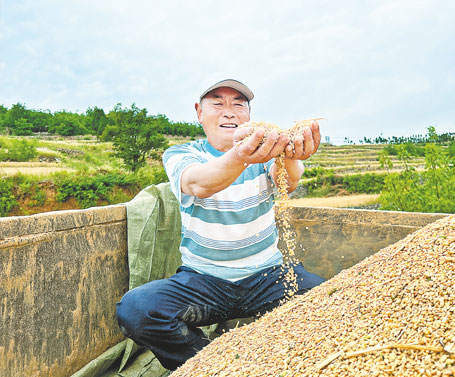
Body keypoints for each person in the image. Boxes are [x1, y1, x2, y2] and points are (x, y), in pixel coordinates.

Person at [116, 79, 324, 370]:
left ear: (249, 116)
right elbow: (199, 182)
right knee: (137, 310)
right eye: (218, 103)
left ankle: (275, 360)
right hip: (203, 281)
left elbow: (287, 180)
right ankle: (210, 363)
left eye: (238, 104)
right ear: (200, 112)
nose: (229, 112)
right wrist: (241, 156)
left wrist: (291, 155)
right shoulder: (182, 154)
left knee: (327, 299)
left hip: (267, 276)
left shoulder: (266, 154)